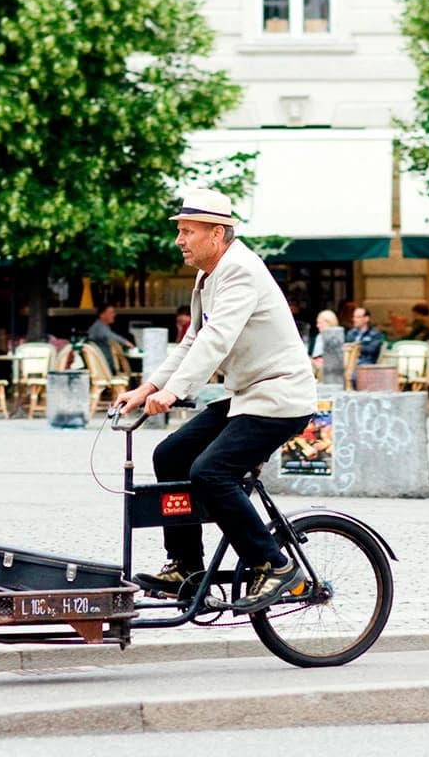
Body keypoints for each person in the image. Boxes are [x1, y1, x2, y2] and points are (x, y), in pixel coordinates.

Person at [117, 187, 317, 613]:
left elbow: (217, 339)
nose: (179, 240)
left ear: (217, 233)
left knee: (211, 472)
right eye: (180, 231)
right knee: (171, 455)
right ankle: (187, 568)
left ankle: (275, 565)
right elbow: (192, 339)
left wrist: (175, 392)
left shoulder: (241, 269)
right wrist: (149, 388)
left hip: (279, 397)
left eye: (188, 231)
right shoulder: (209, 275)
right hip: (247, 395)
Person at [87, 304, 134, 371]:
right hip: (103, 368)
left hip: (105, 366)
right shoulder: (98, 327)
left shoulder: (103, 327)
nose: (114, 315)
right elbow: (109, 335)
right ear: (102, 315)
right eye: (111, 313)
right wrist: (126, 342)